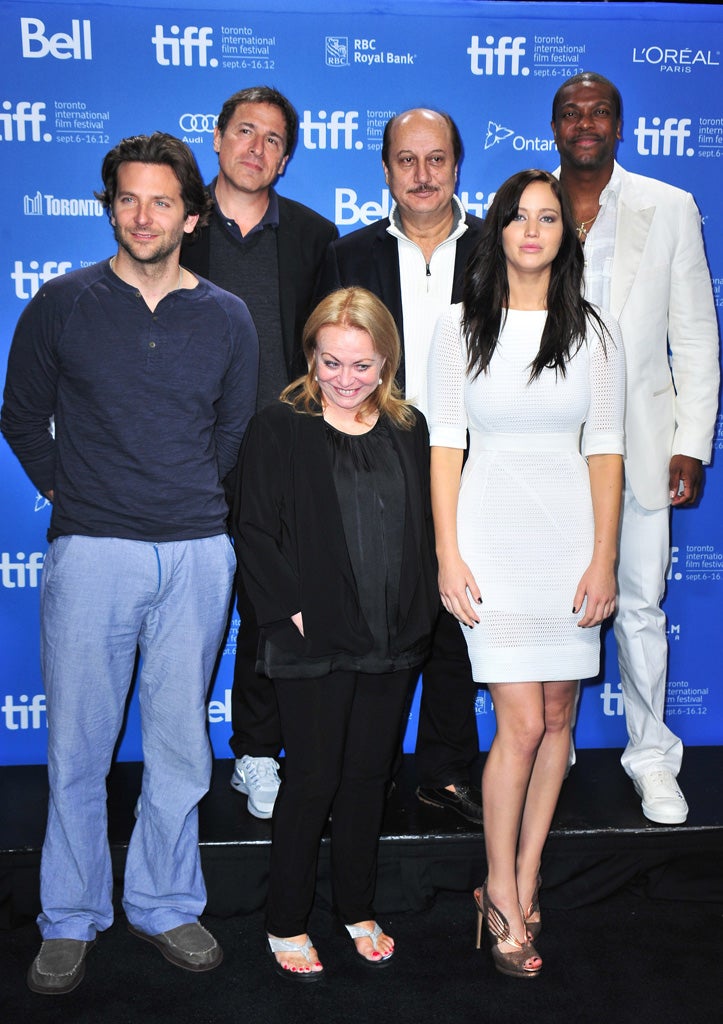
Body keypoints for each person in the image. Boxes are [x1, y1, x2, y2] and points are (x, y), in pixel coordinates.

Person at [0, 133, 258, 994]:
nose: (142, 216)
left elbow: (231, 433)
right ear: (110, 205)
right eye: (127, 199)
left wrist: (181, 502)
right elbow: (23, 414)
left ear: (190, 213)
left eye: (160, 201)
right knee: (78, 747)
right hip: (92, 552)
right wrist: (80, 493)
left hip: (194, 552)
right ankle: (69, 916)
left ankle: (163, 902)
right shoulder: (62, 302)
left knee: (182, 744)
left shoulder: (226, 314)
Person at [428, 169, 625, 977]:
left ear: (563, 236)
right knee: (517, 722)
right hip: (491, 538)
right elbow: (444, 445)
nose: (534, 230)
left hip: (569, 542)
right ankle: (502, 890)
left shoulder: (594, 333)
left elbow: (605, 450)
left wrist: (603, 557)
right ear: (498, 231)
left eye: (549, 218)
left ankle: (527, 869)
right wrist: (447, 553)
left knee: (556, 719)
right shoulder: (456, 328)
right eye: (519, 217)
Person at [233, 287, 438, 980]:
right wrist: (290, 612)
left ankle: (355, 908)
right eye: (330, 363)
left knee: (366, 780)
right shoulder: (278, 426)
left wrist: (419, 613)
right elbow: (254, 531)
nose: (344, 380)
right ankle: (285, 921)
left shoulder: (410, 429)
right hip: (311, 640)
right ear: (310, 357)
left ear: (386, 362)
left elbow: (425, 530)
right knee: (312, 779)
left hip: (391, 637)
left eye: (361, 366)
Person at [551, 71, 720, 824]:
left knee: (642, 607)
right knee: (548, 606)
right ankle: (544, 758)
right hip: (545, 446)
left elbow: (692, 333)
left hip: (644, 444)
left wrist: (692, 439)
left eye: (599, 112)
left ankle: (652, 757)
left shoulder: (669, 206)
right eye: (570, 112)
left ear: (619, 126)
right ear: (553, 127)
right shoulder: (527, 205)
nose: (584, 123)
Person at [316, 108, 484, 824]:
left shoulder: (496, 252)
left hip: (477, 457)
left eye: (436, 159)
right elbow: (323, 361)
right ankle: (368, 770)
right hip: (372, 457)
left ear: (455, 166)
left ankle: (444, 769)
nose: (422, 175)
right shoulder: (347, 254)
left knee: (454, 617)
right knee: (372, 617)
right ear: (384, 170)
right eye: (406, 160)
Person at [182, 85, 339, 820]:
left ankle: (254, 753)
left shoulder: (313, 236)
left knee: (271, 610)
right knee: (185, 615)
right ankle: (174, 762)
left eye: (273, 139)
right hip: (186, 456)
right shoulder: (175, 225)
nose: (256, 148)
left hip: (283, 455)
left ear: (286, 157)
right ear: (216, 139)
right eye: (244, 132)